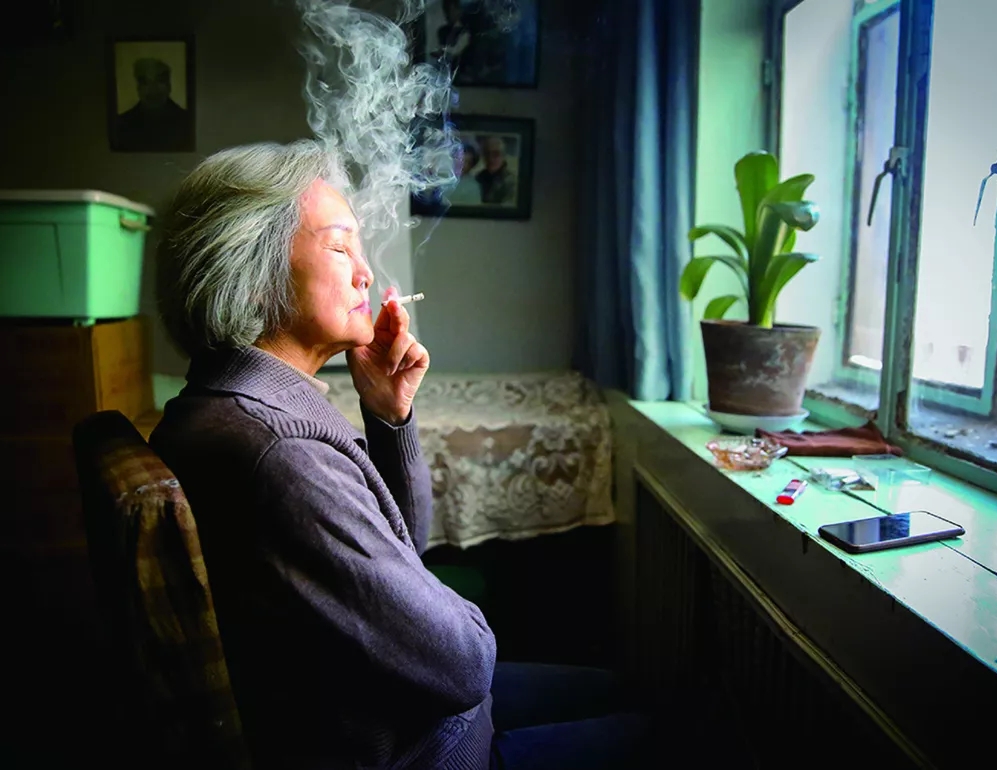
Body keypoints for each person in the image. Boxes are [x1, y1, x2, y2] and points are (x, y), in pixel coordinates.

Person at [150, 140, 650, 769]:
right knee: (668, 733)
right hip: (423, 749)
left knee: (625, 690)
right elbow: (463, 664)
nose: (366, 273)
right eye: (340, 247)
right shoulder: (279, 451)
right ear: (251, 279)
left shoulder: (230, 406)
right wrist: (438, 601)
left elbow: (401, 544)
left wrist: (389, 416)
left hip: (404, 716)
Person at [112, 57, 192, 152]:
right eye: (146, 82)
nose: (153, 89)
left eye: (159, 81)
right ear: (138, 88)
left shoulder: (187, 122)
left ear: (169, 86)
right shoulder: (122, 124)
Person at [476, 136, 516, 205]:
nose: (490, 158)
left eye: (496, 154)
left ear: (503, 156)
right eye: (487, 154)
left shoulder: (511, 182)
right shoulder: (478, 178)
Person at [449, 140, 483, 205]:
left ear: (471, 166)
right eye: (459, 159)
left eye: (466, 162)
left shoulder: (473, 187)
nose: (461, 164)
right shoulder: (442, 178)